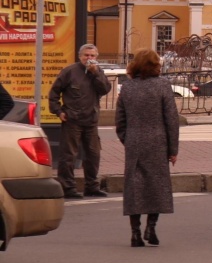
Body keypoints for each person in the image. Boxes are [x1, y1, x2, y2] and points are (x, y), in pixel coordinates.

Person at [114, 49, 179, 246]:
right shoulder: (163, 86)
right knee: (156, 186)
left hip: (134, 142)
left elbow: (120, 120)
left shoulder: (127, 87)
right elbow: (171, 119)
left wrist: (128, 139)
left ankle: (135, 233)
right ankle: (151, 228)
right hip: (158, 143)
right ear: (155, 65)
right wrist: (173, 149)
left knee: (134, 187)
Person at [48, 42, 112, 199]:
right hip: (72, 120)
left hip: (91, 121)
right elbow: (54, 93)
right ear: (80, 56)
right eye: (86, 55)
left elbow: (105, 89)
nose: (89, 58)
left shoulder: (98, 72)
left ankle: (92, 186)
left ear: (96, 57)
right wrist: (58, 111)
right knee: (68, 155)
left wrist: (95, 73)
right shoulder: (70, 71)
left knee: (93, 154)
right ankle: (68, 188)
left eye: (92, 56)